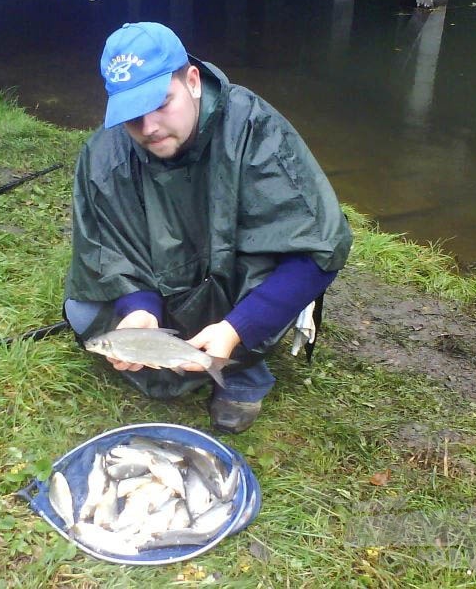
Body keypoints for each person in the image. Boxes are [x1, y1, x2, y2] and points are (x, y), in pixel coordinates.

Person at [64, 22, 352, 433]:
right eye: (132, 115)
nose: (148, 128)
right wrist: (138, 310)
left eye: (161, 103)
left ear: (193, 81)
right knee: (82, 307)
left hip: (234, 287)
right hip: (167, 286)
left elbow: (320, 250)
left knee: (279, 280)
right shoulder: (105, 153)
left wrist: (238, 328)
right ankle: (179, 346)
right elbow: (109, 248)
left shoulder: (254, 130)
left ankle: (240, 368)